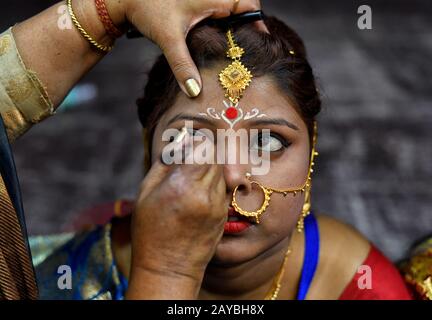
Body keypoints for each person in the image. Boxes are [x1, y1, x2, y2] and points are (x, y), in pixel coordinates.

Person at [0, 0, 413, 300]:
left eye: (267, 142)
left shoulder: (360, 287)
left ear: (311, 156)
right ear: (149, 151)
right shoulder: (69, 279)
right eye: (192, 141)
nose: (231, 175)